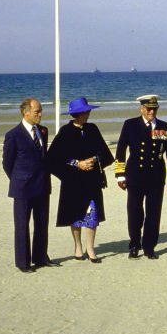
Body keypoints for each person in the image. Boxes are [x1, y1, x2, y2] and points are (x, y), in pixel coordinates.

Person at [47, 97, 115, 264]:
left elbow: (105, 154)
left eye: (88, 111)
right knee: (75, 215)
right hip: (72, 181)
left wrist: (93, 160)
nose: (88, 114)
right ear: (77, 113)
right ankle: (78, 247)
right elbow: (53, 158)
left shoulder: (93, 129)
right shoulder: (65, 132)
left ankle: (90, 249)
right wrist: (77, 164)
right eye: (85, 111)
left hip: (92, 180)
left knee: (92, 214)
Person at [114, 94, 167, 260]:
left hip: (156, 176)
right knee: (134, 212)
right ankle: (134, 244)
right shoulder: (130, 125)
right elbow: (120, 150)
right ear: (141, 109)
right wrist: (119, 175)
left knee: (154, 213)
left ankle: (149, 246)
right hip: (134, 175)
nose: (151, 112)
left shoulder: (166, 127)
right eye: (148, 109)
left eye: (154, 109)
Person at [2, 97, 55, 273]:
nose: (40, 114)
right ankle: (23, 262)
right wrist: (19, 179)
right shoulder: (13, 135)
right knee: (22, 226)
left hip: (42, 186)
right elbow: (7, 164)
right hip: (22, 188)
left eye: (40, 111)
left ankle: (41, 258)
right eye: (37, 111)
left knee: (42, 224)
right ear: (26, 113)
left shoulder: (43, 131)